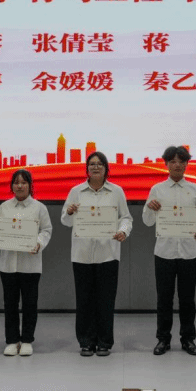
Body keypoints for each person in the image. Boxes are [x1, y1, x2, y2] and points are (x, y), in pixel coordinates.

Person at [62, 152, 133, 357]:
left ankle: (104, 342)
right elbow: (65, 221)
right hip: (81, 254)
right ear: (87, 168)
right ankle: (86, 342)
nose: (95, 167)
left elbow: (126, 218)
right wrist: (69, 212)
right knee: (84, 300)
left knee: (106, 300)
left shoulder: (116, 191)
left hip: (108, 253)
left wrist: (123, 231)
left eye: (100, 164)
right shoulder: (76, 191)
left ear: (106, 168)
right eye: (92, 164)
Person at [143, 146, 196, 356]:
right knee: (164, 299)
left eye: (181, 161)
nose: (177, 165)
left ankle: (188, 339)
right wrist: (149, 208)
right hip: (164, 252)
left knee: (187, 299)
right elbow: (147, 221)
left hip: (189, 252)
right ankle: (163, 339)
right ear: (166, 164)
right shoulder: (157, 190)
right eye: (173, 161)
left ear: (187, 164)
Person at [0, 169, 52, 356]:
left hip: (31, 264)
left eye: (23, 182)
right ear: (11, 186)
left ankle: (26, 340)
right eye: (16, 182)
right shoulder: (3, 207)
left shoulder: (39, 208)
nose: (19, 186)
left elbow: (46, 230)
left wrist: (38, 243)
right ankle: (12, 340)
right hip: (8, 265)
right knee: (10, 304)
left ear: (30, 185)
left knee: (29, 304)